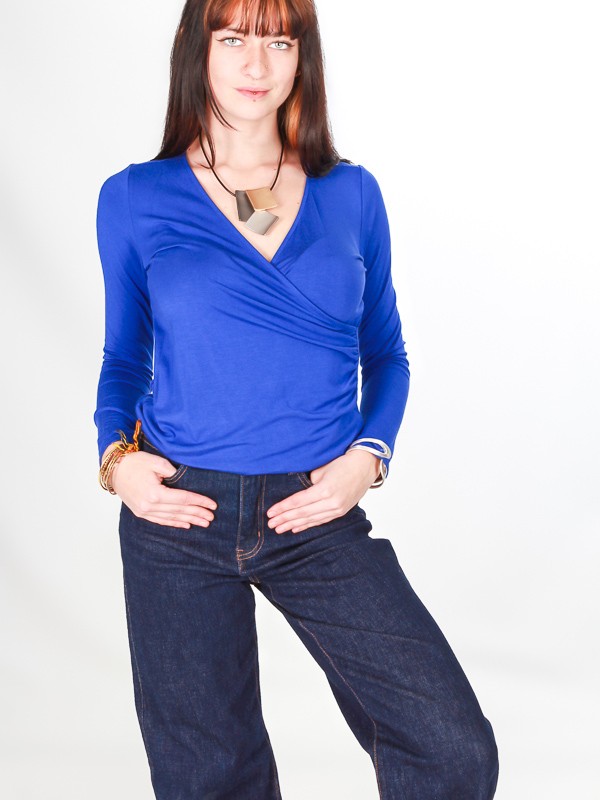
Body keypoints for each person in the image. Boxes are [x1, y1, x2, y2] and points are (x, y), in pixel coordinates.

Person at [94, 0, 499, 797]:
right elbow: (123, 359)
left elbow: (386, 354)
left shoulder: (351, 194)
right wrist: (118, 462)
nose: (257, 64)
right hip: (180, 513)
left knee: (451, 747)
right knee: (211, 779)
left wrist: (368, 457)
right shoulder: (135, 197)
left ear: (300, 56)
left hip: (315, 509)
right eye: (234, 39)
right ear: (197, 48)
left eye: (279, 41)